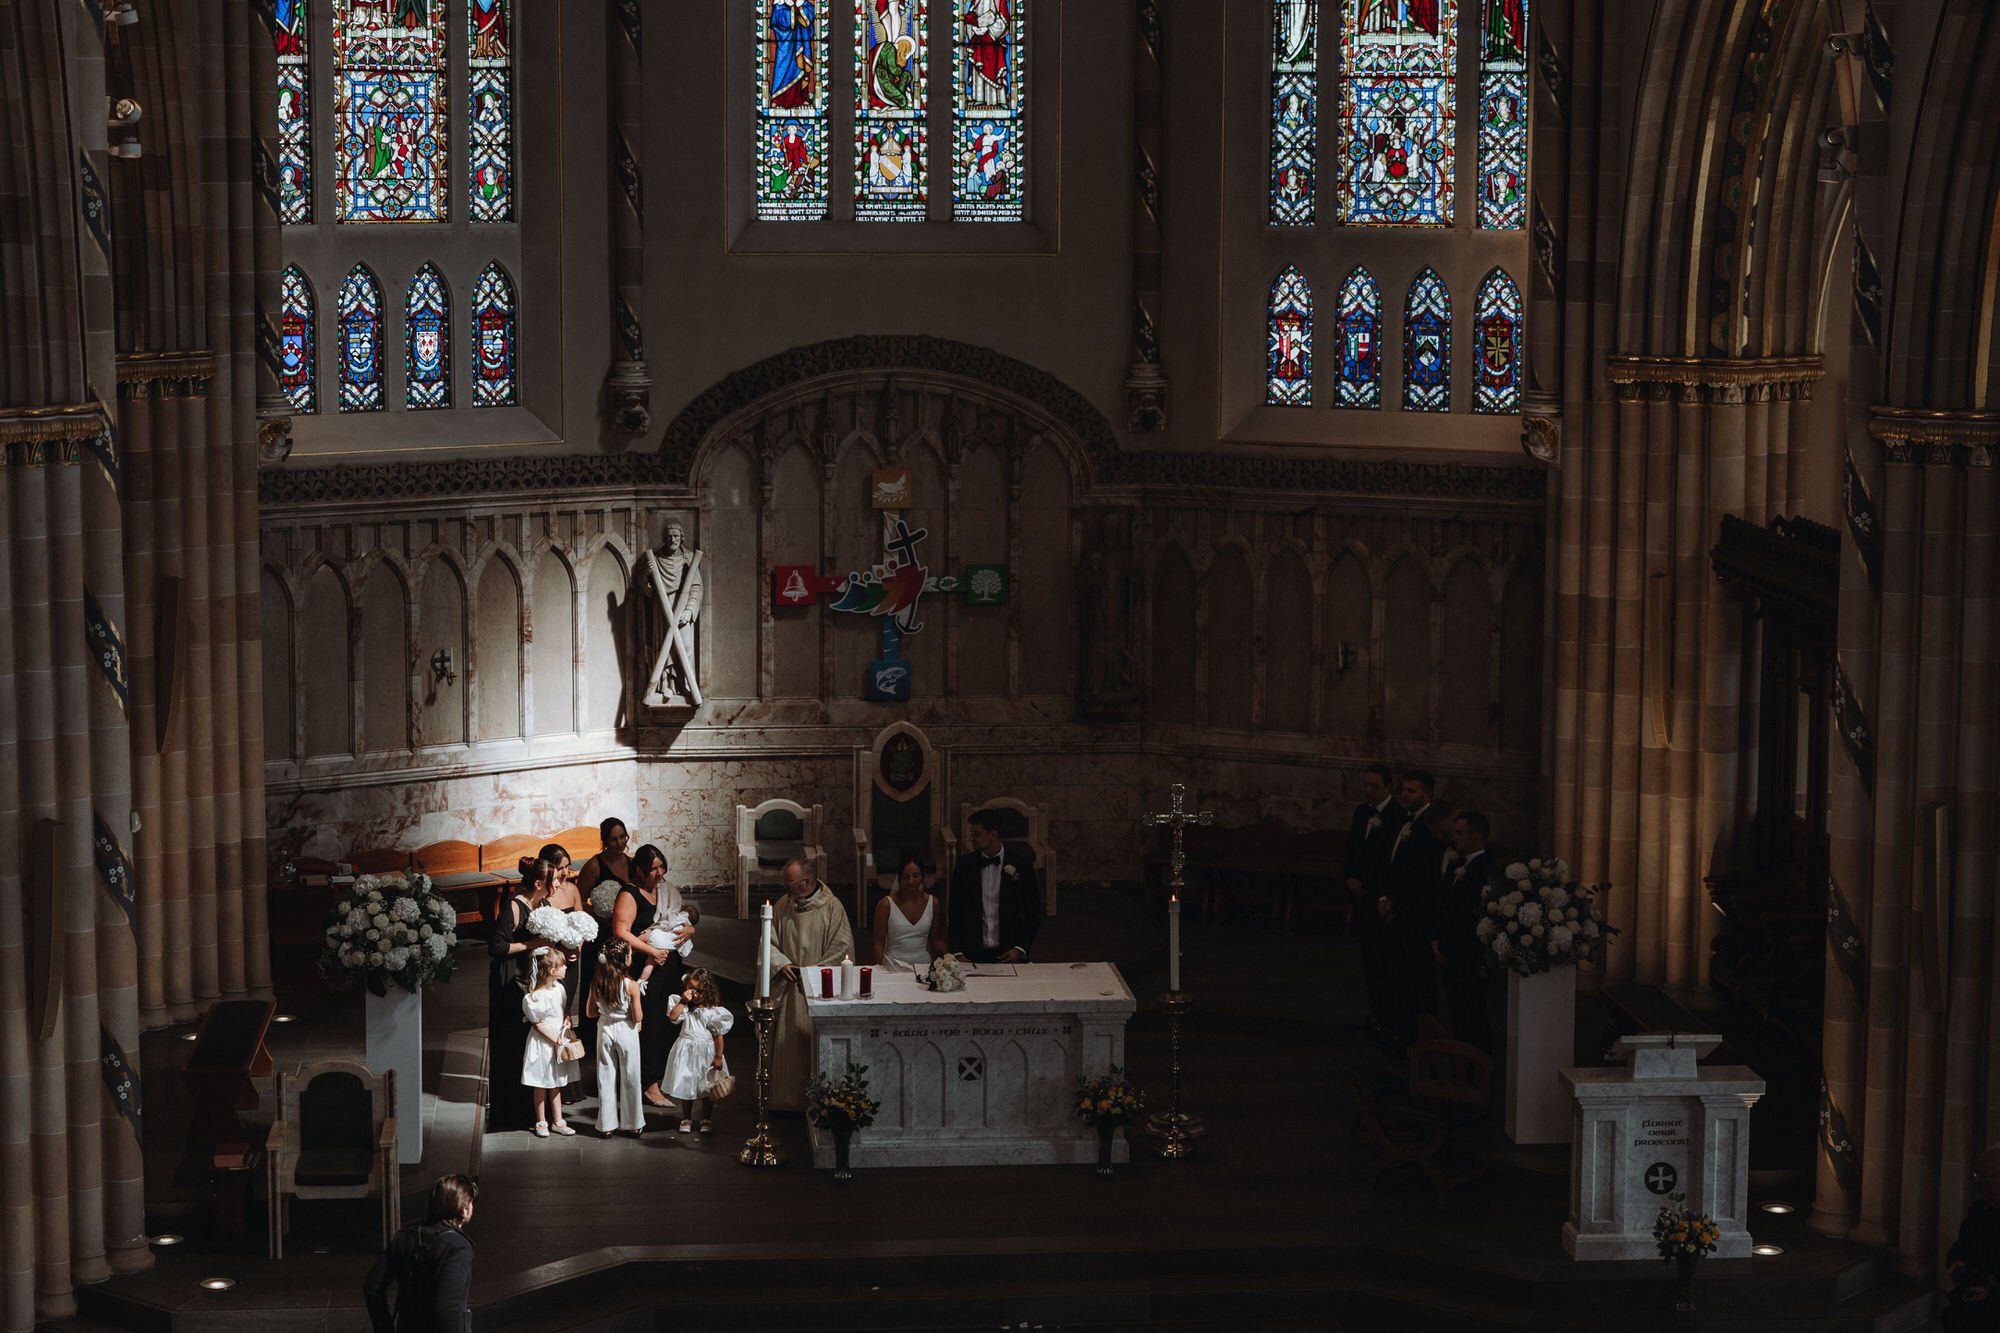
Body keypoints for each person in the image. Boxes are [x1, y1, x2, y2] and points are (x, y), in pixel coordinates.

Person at [610, 844, 693, 1108]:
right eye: (653, 869)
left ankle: (663, 1076)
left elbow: (678, 917)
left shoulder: (663, 890)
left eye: (661, 867)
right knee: (650, 1025)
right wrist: (652, 951)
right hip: (644, 965)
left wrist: (689, 929)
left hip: (668, 965)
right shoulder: (629, 894)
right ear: (639, 870)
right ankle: (648, 1083)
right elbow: (621, 932)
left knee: (669, 1020)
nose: (659, 873)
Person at [770, 857, 853, 1110]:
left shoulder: (832, 907)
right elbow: (768, 942)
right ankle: (785, 1100)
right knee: (789, 1048)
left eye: (790, 883)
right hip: (789, 986)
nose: (786, 887)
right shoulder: (782, 905)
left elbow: (842, 949)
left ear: (806, 882)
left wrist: (813, 975)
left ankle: (817, 1102)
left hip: (818, 989)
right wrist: (781, 963)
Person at [485, 857, 555, 1132]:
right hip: (509, 980)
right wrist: (531, 944)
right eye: (552, 880)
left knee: (530, 1044)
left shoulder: (543, 905)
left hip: (531, 978)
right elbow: (497, 947)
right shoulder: (513, 906)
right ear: (538, 883)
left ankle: (531, 1110)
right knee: (510, 1043)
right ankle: (508, 1112)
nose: (557, 884)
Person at [1376, 770, 1444, 1048]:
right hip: (1399, 911)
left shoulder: (1429, 828)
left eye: (1411, 791)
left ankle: (1415, 1038)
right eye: (1403, 790)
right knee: (1398, 974)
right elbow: (1392, 863)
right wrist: (1385, 897)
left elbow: (1419, 874)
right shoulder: (1403, 820)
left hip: (1415, 914)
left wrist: (1395, 901)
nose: (1404, 795)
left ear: (1427, 795)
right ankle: (1399, 1029)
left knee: (1416, 979)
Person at [363, 1174, 476, 1332]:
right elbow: (447, 1307)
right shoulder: (457, 1247)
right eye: (471, 1203)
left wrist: (385, 1328)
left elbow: (372, 1286)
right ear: (464, 1209)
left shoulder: (404, 1237)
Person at [1344, 763, 1404, 1040]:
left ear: (1388, 786)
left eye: (1374, 786)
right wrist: (1350, 877)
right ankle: (1375, 1011)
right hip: (1361, 897)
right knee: (1368, 958)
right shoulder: (1361, 812)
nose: (1368, 791)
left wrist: (1383, 893)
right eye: (1366, 785)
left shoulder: (1397, 816)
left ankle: (1389, 1015)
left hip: (1381, 898)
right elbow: (1352, 848)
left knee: (1385, 960)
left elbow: (1392, 860)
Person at [948, 810, 1040, 964]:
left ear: (993, 834)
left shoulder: (1021, 865)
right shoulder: (965, 865)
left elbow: (1033, 912)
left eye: (977, 834)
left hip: (1008, 951)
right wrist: (957, 950)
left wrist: (1020, 948)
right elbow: (955, 911)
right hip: (972, 952)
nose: (971, 838)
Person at [1437, 810, 1495, 1051]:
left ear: (1476, 837)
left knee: (1471, 1008)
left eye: (1459, 834)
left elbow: (1470, 914)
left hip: (1468, 953)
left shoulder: (1485, 868)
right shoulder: (1457, 863)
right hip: (1451, 950)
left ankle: (1475, 1056)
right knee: (1456, 1008)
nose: (1454, 838)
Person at [663, 967, 734, 1134]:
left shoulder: (714, 1011)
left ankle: (706, 1118)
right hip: (686, 1052)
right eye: (691, 989)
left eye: (698, 991)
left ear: (707, 991)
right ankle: (686, 1118)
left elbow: (718, 1036)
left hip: (705, 1053)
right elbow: (673, 1017)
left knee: (707, 1087)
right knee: (686, 1084)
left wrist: (718, 1057)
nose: (694, 995)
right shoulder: (684, 1006)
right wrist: (683, 1001)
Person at [587, 939, 645, 1136]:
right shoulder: (631, 985)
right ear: (625, 959)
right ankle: (633, 1123)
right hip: (626, 1029)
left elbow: (589, 1012)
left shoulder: (597, 982)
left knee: (605, 1075)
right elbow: (637, 1017)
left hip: (605, 1028)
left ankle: (606, 1125)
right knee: (631, 1075)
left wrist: (606, 1011)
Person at [521, 947, 578, 1137]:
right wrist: (556, 1040)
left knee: (556, 1082)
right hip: (544, 1043)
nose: (566, 968)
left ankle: (558, 1120)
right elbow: (538, 1024)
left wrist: (566, 1020)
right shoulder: (535, 997)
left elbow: (562, 1010)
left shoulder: (559, 989)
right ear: (553, 971)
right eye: (563, 965)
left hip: (558, 1038)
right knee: (541, 1082)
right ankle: (541, 1120)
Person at [1947, 1146, 2000, 1331]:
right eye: (1978, 1177)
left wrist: (1992, 1292)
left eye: (1988, 1179)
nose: (1981, 1186)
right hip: (1970, 1310)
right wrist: (1956, 1262)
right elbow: (1960, 1246)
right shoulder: (1979, 1210)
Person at [872, 848, 946, 971]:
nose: (911, 881)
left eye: (915, 876)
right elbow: (878, 943)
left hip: (923, 967)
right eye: (906, 877)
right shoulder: (886, 904)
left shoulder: (933, 903)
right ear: (899, 877)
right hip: (893, 967)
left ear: (922, 875)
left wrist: (952, 958)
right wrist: (879, 970)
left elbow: (936, 940)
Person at [638, 901, 700, 988]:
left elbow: (665, 922)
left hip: (656, 937)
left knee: (641, 939)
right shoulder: (687, 933)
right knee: (650, 964)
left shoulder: (679, 918)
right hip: (665, 948)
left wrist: (651, 929)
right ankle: (641, 981)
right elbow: (685, 952)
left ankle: (628, 953)